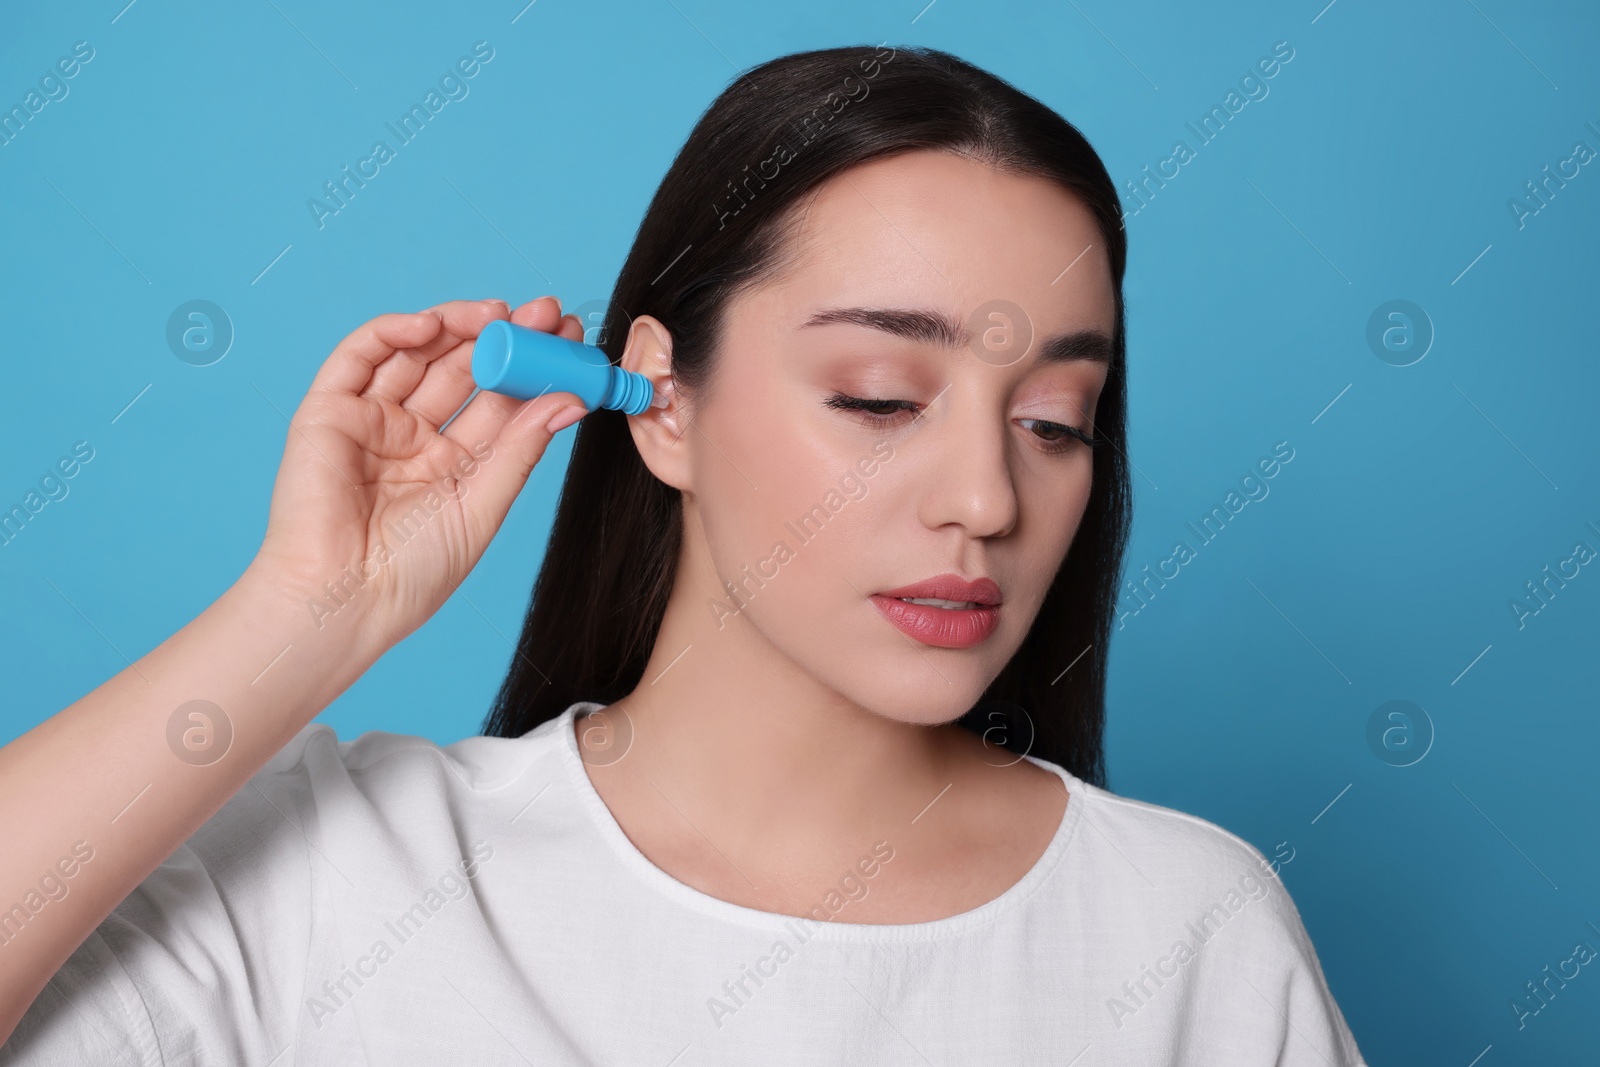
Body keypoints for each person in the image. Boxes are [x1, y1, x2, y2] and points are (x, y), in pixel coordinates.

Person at [0, 44, 1367, 1065]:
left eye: (1056, 422)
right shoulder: (342, 879)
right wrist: (303, 616)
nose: (986, 500)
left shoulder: (1189, 935)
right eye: (883, 399)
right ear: (663, 399)